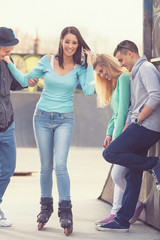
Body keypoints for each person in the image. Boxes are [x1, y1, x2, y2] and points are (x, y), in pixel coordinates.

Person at [4, 26, 95, 236]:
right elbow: (26, 81)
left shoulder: (81, 68)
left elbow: (89, 91)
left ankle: (66, 211)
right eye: (67, 41)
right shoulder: (46, 60)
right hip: (42, 118)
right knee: (45, 167)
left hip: (65, 119)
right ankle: (45, 207)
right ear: (61, 41)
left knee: (60, 165)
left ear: (78, 45)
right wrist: (9, 62)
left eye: (75, 42)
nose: (70, 46)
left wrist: (89, 65)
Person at [95, 40, 160, 232]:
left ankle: (155, 164)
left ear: (130, 53)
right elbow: (131, 106)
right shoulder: (134, 74)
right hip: (141, 126)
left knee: (110, 153)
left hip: (146, 126)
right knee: (133, 174)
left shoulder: (146, 68)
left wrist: (137, 121)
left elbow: (156, 95)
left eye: (121, 59)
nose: (120, 63)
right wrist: (127, 127)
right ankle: (123, 220)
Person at [93, 53, 144, 227]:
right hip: (117, 134)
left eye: (102, 70)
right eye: (99, 73)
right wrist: (109, 133)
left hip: (125, 134)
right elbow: (115, 114)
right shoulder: (115, 83)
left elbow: (123, 112)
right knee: (119, 174)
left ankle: (131, 205)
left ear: (108, 64)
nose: (102, 75)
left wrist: (117, 140)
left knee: (117, 175)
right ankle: (119, 210)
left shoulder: (123, 78)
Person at [0, 27, 38, 227]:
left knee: (8, 168)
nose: (10, 52)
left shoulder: (8, 61)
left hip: (7, 124)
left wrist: (27, 81)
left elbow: (15, 84)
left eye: (11, 49)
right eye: (6, 48)